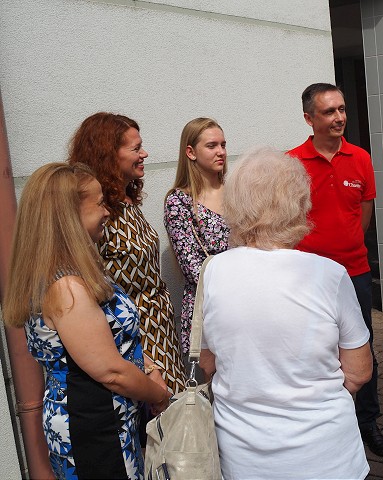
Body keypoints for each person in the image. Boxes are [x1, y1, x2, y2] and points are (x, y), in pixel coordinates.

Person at [199, 146, 372, 479]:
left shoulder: (214, 271)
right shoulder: (330, 275)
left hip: (242, 459)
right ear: (300, 204)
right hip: (327, 456)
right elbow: (359, 372)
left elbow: (208, 363)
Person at [3, 163, 171, 479]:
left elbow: (114, 342)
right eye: (98, 203)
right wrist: (158, 394)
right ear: (70, 217)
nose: (107, 211)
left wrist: (147, 366)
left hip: (108, 423)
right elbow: (111, 371)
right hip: (95, 433)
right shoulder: (66, 287)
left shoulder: (70, 274)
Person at [287, 83, 383, 457]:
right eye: (329, 112)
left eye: (342, 109)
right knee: (315, 349)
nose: (339, 118)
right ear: (309, 118)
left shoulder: (360, 158)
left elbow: (363, 213)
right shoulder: (292, 163)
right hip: (307, 277)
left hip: (354, 273)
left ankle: (367, 422)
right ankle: (326, 420)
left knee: (361, 349)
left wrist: (345, 247)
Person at [68, 113, 186, 394]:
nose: (144, 153)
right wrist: (146, 366)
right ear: (108, 155)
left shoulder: (126, 202)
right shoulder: (97, 214)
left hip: (161, 332)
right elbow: (96, 292)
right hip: (136, 342)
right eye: (135, 149)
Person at [164, 117, 229, 354]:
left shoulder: (237, 192)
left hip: (246, 300)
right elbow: (192, 266)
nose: (221, 152)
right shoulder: (179, 201)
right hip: (209, 305)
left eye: (223, 145)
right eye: (212, 146)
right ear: (191, 152)